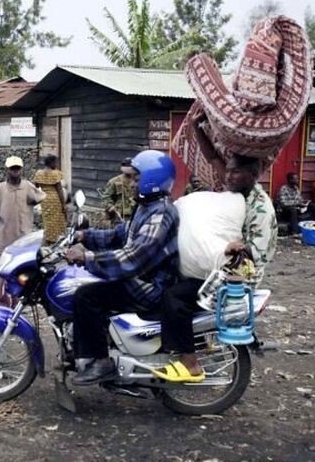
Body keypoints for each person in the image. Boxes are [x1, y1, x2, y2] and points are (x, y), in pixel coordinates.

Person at [153, 154, 277, 383]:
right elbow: (215, 163)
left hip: (237, 277)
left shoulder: (260, 209)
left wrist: (224, 252)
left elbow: (255, 257)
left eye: (235, 172)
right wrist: (198, 129)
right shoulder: (236, 193)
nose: (228, 176)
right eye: (228, 171)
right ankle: (196, 343)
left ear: (253, 175)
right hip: (219, 265)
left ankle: (190, 364)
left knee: (175, 299)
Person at [64, 150, 180, 385]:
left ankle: (101, 363)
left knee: (86, 296)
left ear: (151, 180)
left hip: (148, 286)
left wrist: (87, 258)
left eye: (135, 178)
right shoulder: (147, 207)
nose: (130, 183)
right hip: (141, 277)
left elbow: (133, 257)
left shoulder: (161, 212)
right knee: (87, 285)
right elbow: (121, 233)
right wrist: (85, 236)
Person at [0, 156, 46, 306]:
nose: (15, 172)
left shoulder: (27, 186)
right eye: (12, 169)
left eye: (18, 169)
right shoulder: (1, 188)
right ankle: (2, 303)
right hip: (4, 238)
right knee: (3, 273)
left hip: (23, 239)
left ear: (21, 170)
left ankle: (15, 304)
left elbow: (41, 196)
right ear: (7, 170)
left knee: (18, 273)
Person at [32, 154, 67, 244]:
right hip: (55, 199)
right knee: (57, 219)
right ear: (51, 163)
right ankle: (57, 238)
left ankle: (48, 238)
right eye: (56, 162)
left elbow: (36, 186)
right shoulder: (56, 174)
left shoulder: (39, 173)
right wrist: (63, 205)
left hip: (44, 199)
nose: (57, 164)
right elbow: (59, 190)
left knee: (47, 220)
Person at [101, 158, 137, 223]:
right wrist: (110, 206)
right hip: (119, 215)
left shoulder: (138, 180)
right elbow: (106, 197)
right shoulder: (114, 181)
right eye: (125, 166)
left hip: (135, 213)